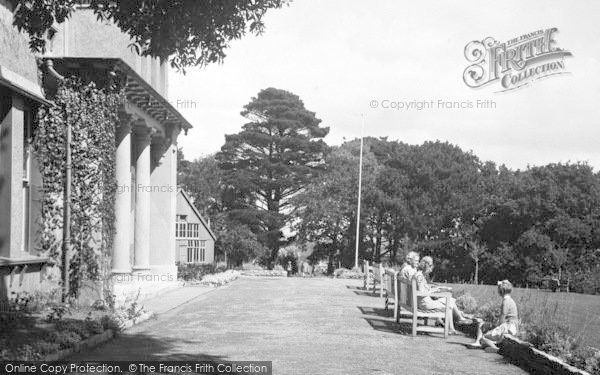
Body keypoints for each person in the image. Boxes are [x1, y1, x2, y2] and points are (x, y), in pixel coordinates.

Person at [412, 256, 472, 334]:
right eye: (430, 266)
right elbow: (421, 293)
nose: (431, 268)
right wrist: (434, 291)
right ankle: (456, 323)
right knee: (449, 302)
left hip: (421, 302)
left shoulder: (418, 274)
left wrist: (434, 289)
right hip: (424, 304)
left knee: (449, 300)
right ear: (426, 265)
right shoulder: (419, 276)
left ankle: (454, 325)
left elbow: (422, 290)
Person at [467, 280, 519, 353]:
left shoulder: (505, 302)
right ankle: (483, 344)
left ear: (501, 291)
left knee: (483, 337)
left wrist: (492, 325)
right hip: (511, 326)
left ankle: (495, 348)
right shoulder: (510, 300)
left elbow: (502, 320)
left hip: (508, 327)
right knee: (485, 329)